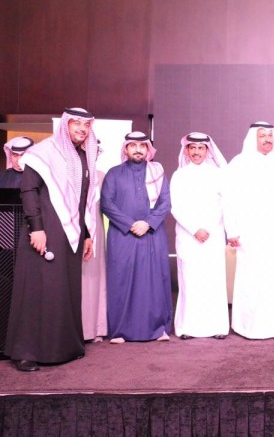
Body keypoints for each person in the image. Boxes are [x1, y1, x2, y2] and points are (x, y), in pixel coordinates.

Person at [4, 108, 97, 372]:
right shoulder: (43, 152)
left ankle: (64, 347)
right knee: (36, 291)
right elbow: (29, 189)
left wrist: (86, 234)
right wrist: (36, 228)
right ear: (65, 125)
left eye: (86, 125)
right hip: (44, 231)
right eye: (76, 123)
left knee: (63, 291)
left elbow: (83, 200)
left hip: (71, 235)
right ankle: (25, 352)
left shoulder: (84, 156)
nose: (82, 129)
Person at [224, 122, 274, 339]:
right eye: (262, 135)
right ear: (252, 138)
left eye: (270, 135)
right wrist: (232, 230)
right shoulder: (239, 163)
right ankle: (247, 327)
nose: (267, 139)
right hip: (249, 233)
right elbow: (228, 199)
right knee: (251, 279)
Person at [101, 131, 172, 343]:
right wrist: (130, 224)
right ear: (126, 149)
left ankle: (158, 329)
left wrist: (147, 223)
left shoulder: (157, 173)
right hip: (122, 236)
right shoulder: (113, 173)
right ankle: (120, 331)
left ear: (148, 149)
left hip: (152, 234)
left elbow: (165, 203)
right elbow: (107, 204)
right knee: (122, 281)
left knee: (154, 281)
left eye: (142, 146)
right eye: (133, 146)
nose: (138, 150)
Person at [170, 132, 230, 339]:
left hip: (213, 235)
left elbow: (223, 204)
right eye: (192, 148)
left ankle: (217, 327)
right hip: (188, 236)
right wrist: (195, 229)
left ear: (207, 150)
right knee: (190, 280)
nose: (196, 152)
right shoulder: (179, 175)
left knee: (212, 279)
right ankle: (187, 327)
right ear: (186, 150)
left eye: (200, 148)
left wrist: (208, 228)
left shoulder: (218, 174)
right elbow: (176, 207)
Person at [81, 140, 108, 341]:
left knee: (94, 277)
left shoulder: (102, 176)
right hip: (71, 229)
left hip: (96, 230)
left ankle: (95, 329)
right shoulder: (67, 173)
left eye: (94, 150)